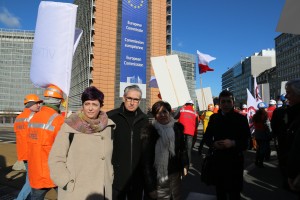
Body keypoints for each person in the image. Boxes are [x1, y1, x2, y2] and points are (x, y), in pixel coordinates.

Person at [49, 86, 115, 199]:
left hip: (101, 190)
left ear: (101, 106)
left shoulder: (108, 127)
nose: (90, 108)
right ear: (82, 105)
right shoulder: (69, 126)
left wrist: (110, 176)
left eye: (94, 104)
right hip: (76, 191)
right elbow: (56, 158)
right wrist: (66, 181)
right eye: (87, 103)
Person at [203, 90, 250, 200]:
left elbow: (247, 142)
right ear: (219, 103)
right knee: (220, 192)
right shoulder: (214, 118)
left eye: (229, 101)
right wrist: (213, 144)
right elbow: (207, 137)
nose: (226, 104)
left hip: (235, 161)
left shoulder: (241, 119)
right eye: (223, 102)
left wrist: (233, 143)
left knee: (234, 193)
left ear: (233, 102)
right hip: (218, 160)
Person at [107, 85, 149, 200]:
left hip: (137, 177)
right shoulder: (111, 117)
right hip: (116, 177)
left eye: (136, 99)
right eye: (129, 98)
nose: (132, 102)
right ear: (123, 98)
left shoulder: (145, 120)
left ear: (139, 101)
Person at [141, 101, 189, 200]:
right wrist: (150, 187)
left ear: (169, 112)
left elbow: (183, 149)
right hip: (158, 179)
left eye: (164, 111)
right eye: (158, 113)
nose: (162, 115)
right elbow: (146, 163)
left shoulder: (177, 129)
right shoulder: (150, 132)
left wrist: (184, 163)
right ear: (155, 116)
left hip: (175, 176)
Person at [27, 85, 65, 200]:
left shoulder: (33, 118)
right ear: (59, 101)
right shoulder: (58, 119)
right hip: (52, 170)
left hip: (35, 170)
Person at [14, 94, 43, 200]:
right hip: (32, 153)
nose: (39, 105)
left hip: (24, 153)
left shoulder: (18, 118)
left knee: (29, 179)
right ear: (30, 104)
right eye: (37, 103)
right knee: (32, 181)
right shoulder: (34, 117)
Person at [176, 100, 198, 166]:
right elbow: (197, 123)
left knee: (180, 147)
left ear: (186, 104)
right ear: (192, 105)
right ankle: (187, 163)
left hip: (181, 131)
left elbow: (175, 116)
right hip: (190, 132)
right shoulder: (195, 112)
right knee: (188, 149)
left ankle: (178, 162)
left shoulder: (182, 109)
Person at [252, 102, 272, 168]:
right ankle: (260, 162)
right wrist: (270, 134)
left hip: (257, 134)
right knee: (263, 149)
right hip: (263, 134)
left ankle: (256, 161)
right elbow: (268, 126)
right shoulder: (265, 115)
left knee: (259, 148)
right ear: (264, 108)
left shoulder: (255, 116)